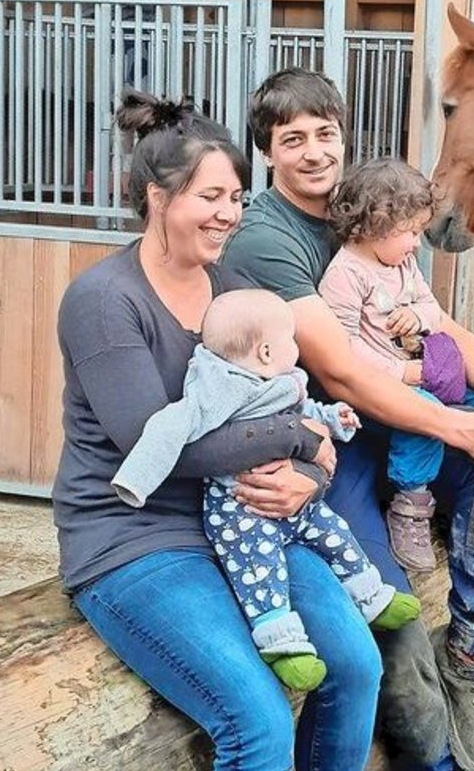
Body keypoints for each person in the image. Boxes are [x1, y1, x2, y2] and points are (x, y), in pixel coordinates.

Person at [222, 68, 474, 771]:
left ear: (344, 138)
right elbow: (342, 375)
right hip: (327, 448)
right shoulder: (266, 238)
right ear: (269, 153)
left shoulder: (371, 213)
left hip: (396, 428)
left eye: (325, 134)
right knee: (391, 621)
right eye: (292, 139)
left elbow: (436, 323)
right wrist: (463, 429)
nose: (313, 151)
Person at [53, 88, 382, 771]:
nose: (229, 213)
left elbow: (305, 419)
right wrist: (298, 436)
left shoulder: (233, 291)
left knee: (356, 667)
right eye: (210, 197)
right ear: (155, 198)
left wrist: (311, 476)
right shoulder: (105, 301)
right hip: (134, 539)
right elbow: (158, 441)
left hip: (246, 523)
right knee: (256, 724)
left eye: (235, 196)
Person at [110, 288, 423, 693]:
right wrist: (136, 479)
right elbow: (171, 428)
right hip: (242, 509)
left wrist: (333, 420)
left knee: (336, 534)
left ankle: (372, 596)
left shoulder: (280, 379)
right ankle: (283, 645)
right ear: (265, 352)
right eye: (291, 340)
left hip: (297, 505)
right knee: (260, 576)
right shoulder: (217, 388)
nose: (297, 347)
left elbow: (302, 413)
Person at [319, 158, 474, 573]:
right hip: (377, 389)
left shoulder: (403, 264)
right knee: (425, 411)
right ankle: (410, 502)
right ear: (374, 225)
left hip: (418, 370)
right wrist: (402, 374)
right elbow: (345, 346)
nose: (415, 243)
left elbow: (431, 308)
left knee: (471, 398)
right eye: (409, 232)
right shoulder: (345, 276)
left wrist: (418, 318)